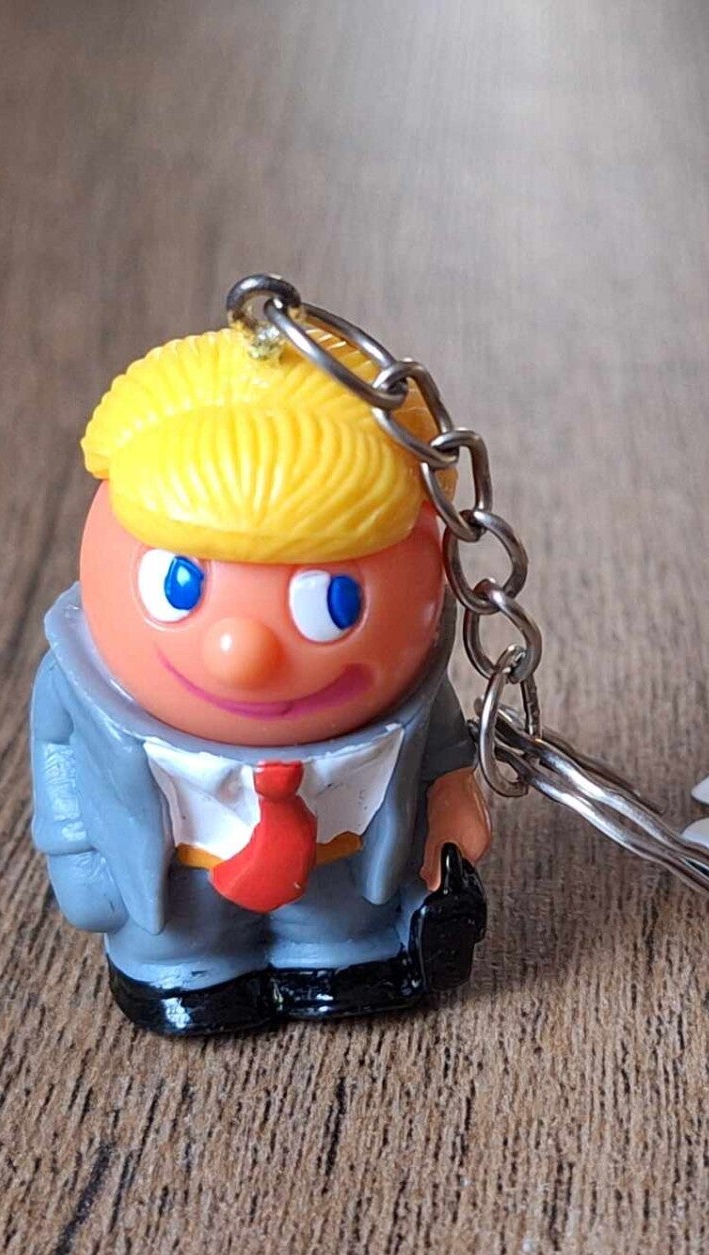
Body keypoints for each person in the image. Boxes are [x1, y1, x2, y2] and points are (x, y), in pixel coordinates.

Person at [30, 324, 491, 1036]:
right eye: (180, 586)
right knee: (184, 949)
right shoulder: (78, 687)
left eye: (331, 601)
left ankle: (336, 961)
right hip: (176, 884)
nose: (240, 653)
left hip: (344, 868)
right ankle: (194, 975)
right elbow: (57, 754)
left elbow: (439, 740)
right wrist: (76, 855)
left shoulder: (409, 689)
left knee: (340, 932)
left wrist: (452, 795)